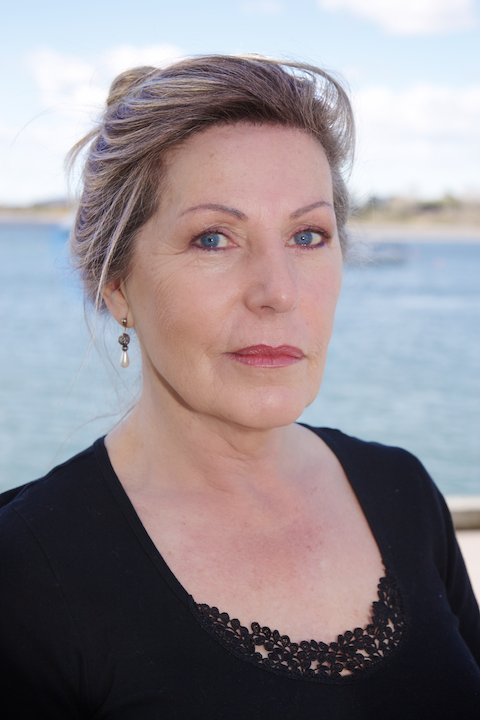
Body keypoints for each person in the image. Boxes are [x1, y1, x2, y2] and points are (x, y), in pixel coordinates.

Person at [1, 55, 479, 719]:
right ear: (117, 285)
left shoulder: (403, 491)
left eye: (308, 235)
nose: (278, 292)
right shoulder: (25, 568)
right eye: (213, 239)